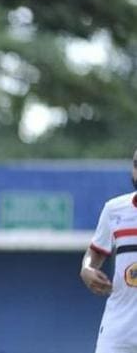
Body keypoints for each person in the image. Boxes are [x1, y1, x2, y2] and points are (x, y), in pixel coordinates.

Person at [81, 147, 137, 353]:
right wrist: (87, 269)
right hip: (118, 330)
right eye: (136, 165)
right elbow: (94, 253)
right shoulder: (114, 210)